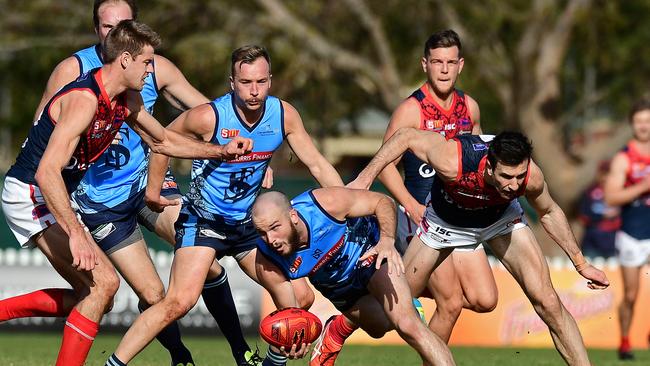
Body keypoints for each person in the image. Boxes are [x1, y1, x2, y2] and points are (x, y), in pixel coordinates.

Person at [0, 20, 251, 366]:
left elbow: (162, 140)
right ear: (125, 61)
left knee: (96, 296)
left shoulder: (125, 98)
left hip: (51, 189)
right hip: (31, 191)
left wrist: (222, 151)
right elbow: (46, 171)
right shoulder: (85, 100)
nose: (153, 69)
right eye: (148, 62)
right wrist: (75, 234)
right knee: (103, 284)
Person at [103, 44, 343, 366]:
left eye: (260, 82)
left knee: (301, 297)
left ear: (270, 80)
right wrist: (153, 191)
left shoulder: (284, 114)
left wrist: (343, 204)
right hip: (205, 221)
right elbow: (161, 142)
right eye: (246, 83)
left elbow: (315, 162)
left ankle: (272, 363)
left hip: (246, 225)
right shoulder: (210, 116)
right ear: (232, 82)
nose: (254, 91)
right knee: (179, 302)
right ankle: (114, 363)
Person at [348, 129, 610, 365]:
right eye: (506, 176)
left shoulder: (530, 177)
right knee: (390, 313)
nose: (514, 185)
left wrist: (581, 263)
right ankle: (341, 325)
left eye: (519, 176)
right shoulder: (452, 159)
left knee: (549, 301)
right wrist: (364, 178)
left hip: (500, 220)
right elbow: (405, 136)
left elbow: (550, 212)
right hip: (444, 225)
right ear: (488, 167)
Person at [252, 189, 455, 366]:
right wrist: (296, 340)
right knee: (379, 328)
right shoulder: (267, 261)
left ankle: (406, 308)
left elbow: (382, 201)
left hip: (368, 254)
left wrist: (386, 240)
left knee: (408, 324)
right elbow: (292, 315)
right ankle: (337, 329)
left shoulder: (324, 205)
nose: (271, 240)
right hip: (338, 288)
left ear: (293, 216)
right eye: (262, 233)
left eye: (275, 227)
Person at [604, 99, 650, 360]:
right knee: (631, 295)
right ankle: (624, 341)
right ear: (633, 124)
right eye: (639, 121)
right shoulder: (625, 158)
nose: (644, 126)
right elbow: (611, 197)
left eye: (648, 121)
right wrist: (642, 187)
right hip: (632, 233)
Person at [578, 160, 619, 259]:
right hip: (593, 241)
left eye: (609, 174)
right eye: (603, 173)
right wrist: (603, 215)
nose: (605, 177)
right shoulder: (590, 192)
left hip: (614, 241)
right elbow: (583, 217)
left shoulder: (621, 192)